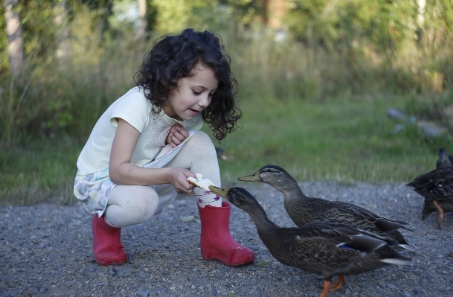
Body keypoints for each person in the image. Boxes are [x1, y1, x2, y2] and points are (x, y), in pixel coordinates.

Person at [73, 28, 255, 267]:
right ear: (169, 79)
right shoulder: (137, 104)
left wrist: (168, 145)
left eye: (210, 94)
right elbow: (118, 170)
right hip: (102, 179)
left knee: (200, 142)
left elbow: (148, 149)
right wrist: (170, 174)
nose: (204, 102)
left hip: (142, 168)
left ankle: (216, 240)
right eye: (197, 91)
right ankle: (105, 222)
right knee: (142, 202)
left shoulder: (187, 111)